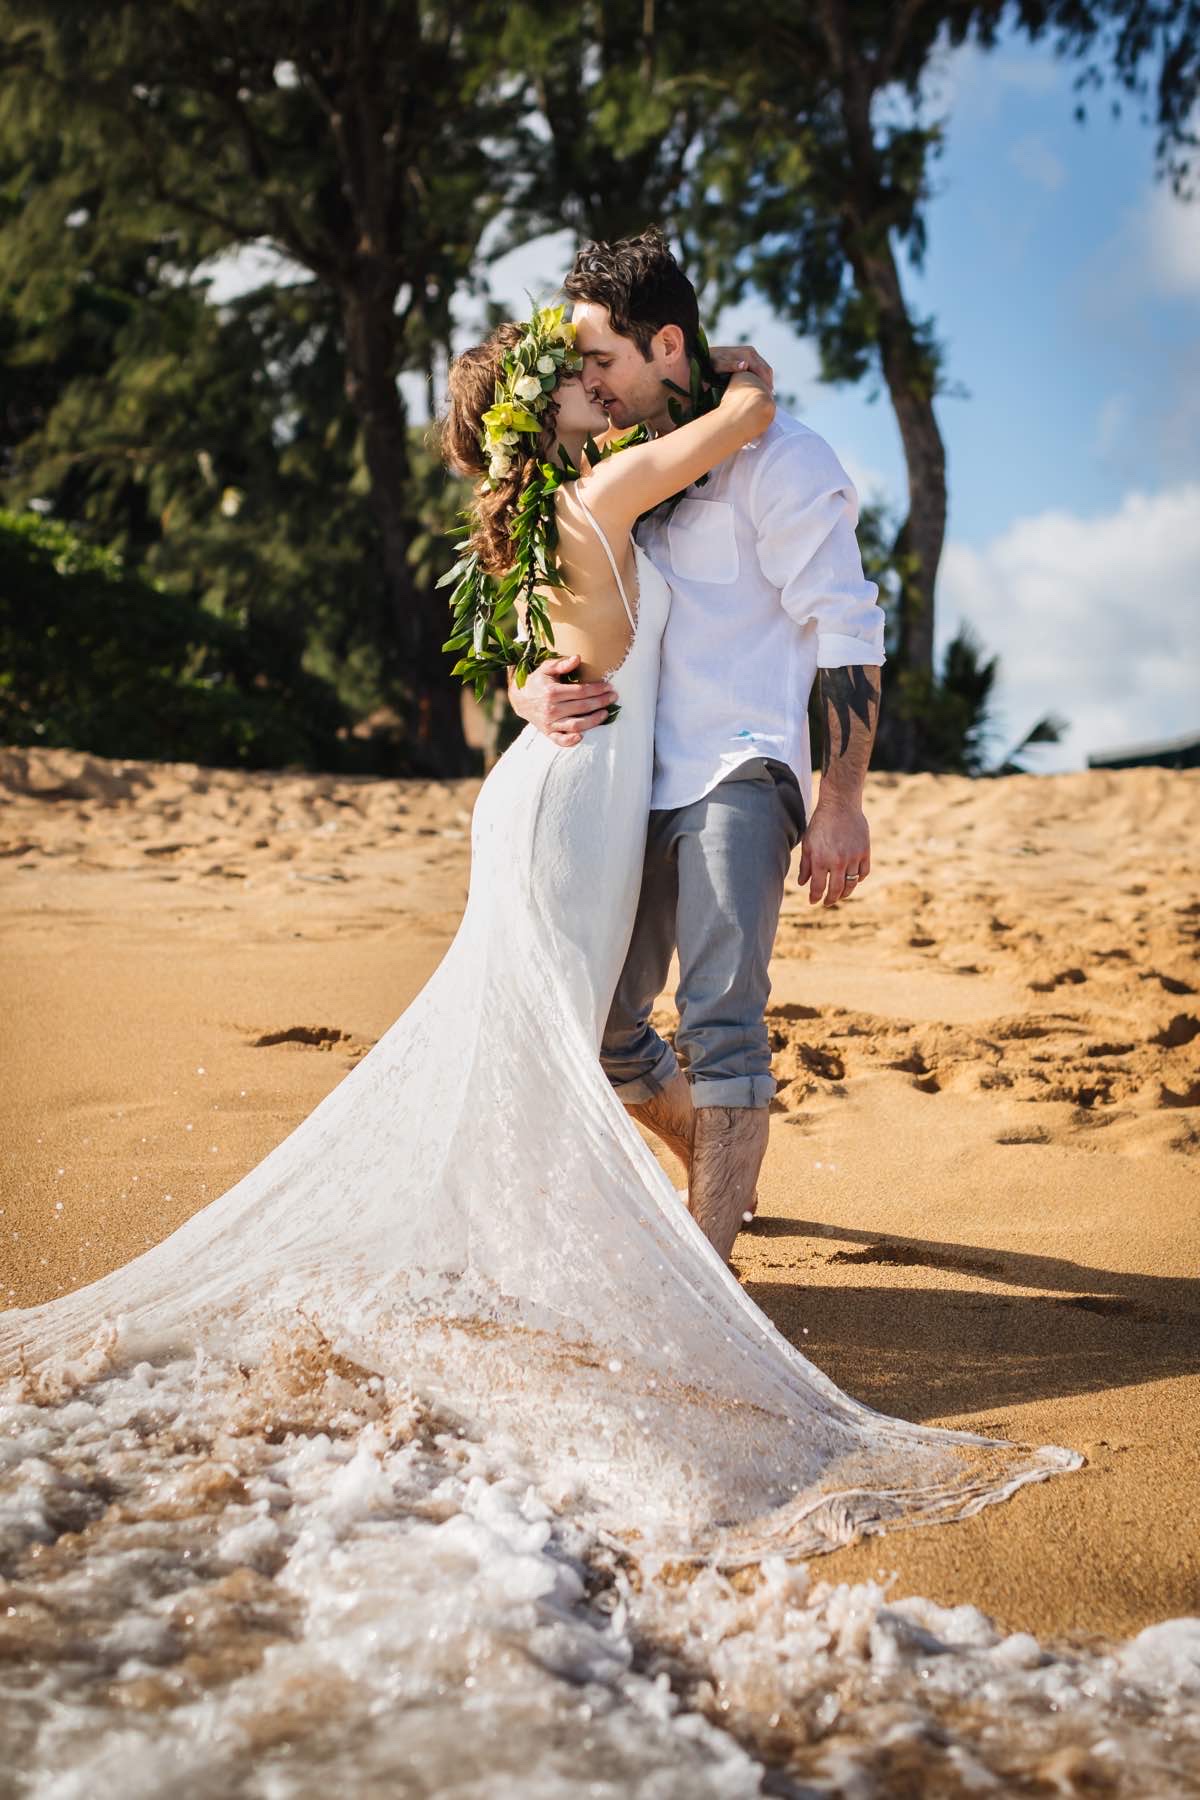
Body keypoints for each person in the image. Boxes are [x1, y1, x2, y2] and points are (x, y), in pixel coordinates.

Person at [0, 303, 1078, 1568]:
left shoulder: (545, 518)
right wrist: (743, 374)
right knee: (562, 1037)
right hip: (580, 799)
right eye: (570, 379)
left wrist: (532, 685)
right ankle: (561, 1275)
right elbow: (743, 418)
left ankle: (532, 1263)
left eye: (595, 365)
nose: (591, 386)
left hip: (575, 784)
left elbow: (542, 653)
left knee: (557, 1036)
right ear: (537, 417)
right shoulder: (608, 487)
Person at [508, 229, 886, 1265]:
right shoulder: (626, 466)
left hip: (739, 768)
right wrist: (527, 682)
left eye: (603, 363)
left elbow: (847, 628)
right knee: (605, 1028)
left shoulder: (784, 456)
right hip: (622, 787)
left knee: (719, 1020)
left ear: (667, 344)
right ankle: (706, 1158)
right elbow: (555, 616)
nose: (591, 383)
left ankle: (708, 1275)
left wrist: (840, 798)